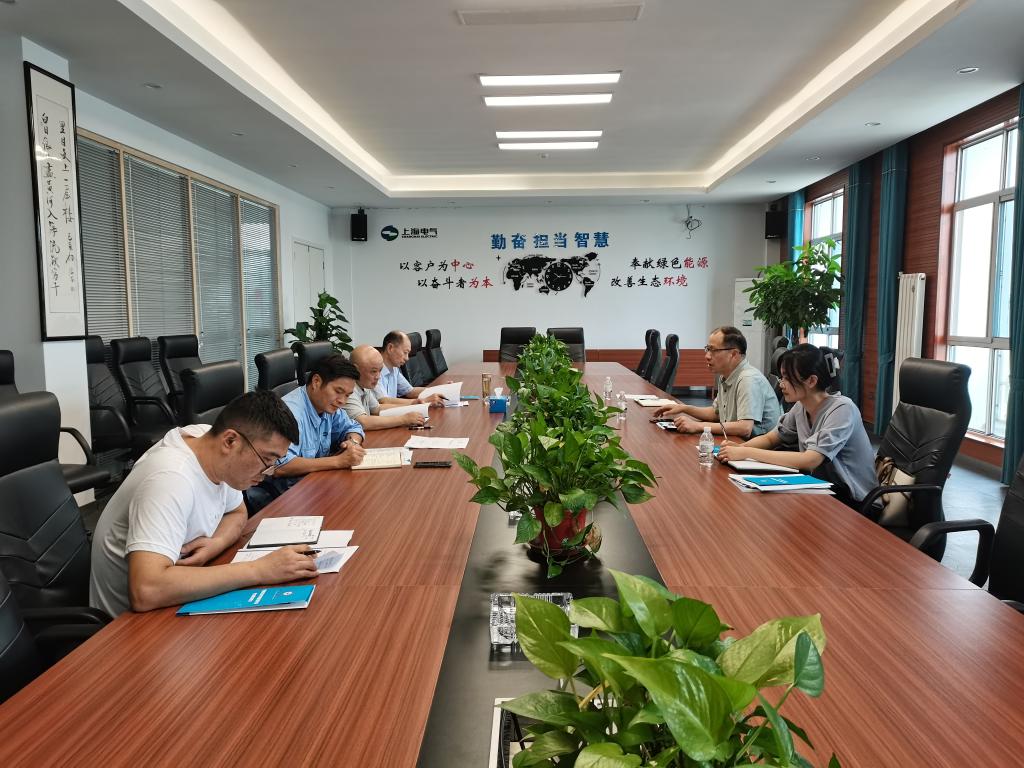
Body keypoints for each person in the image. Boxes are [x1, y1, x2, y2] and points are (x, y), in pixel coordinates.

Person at [89, 390, 320, 617]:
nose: (269, 472)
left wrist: (217, 543)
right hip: (129, 625)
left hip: (175, 596)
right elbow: (146, 590)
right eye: (267, 459)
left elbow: (237, 512)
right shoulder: (170, 479)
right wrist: (259, 569)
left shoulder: (210, 444)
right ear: (230, 441)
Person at [717, 344, 877, 508]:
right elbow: (772, 438)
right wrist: (739, 448)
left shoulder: (842, 409)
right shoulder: (801, 406)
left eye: (787, 378)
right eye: (782, 377)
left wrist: (746, 452)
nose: (781, 384)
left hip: (855, 501)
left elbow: (810, 460)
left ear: (811, 380)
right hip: (822, 489)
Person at [653, 326, 780, 438]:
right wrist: (683, 408)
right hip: (736, 442)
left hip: (757, 450)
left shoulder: (748, 379)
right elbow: (716, 413)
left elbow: (744, 428)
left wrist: (698, 426)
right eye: (707, 349)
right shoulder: (725, 375)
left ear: (734, 354)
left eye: (713, 350)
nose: (707, 356)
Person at [345, 344, 427, 429]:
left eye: (380, 370)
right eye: (373, 371)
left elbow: (377, 409)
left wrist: (412, 407)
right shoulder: (347, 389)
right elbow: (362, 422)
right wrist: (403, 419)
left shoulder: (364, 384)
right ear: (356, 369)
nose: (378, 377)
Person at [377, 330, 444, 405]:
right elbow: (383, 401)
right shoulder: (374, 370)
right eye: (405, 352)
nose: (407, 358)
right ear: (390, 348)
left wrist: (441, 390)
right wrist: (422, 401)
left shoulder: (394, 368)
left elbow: (410, 391)